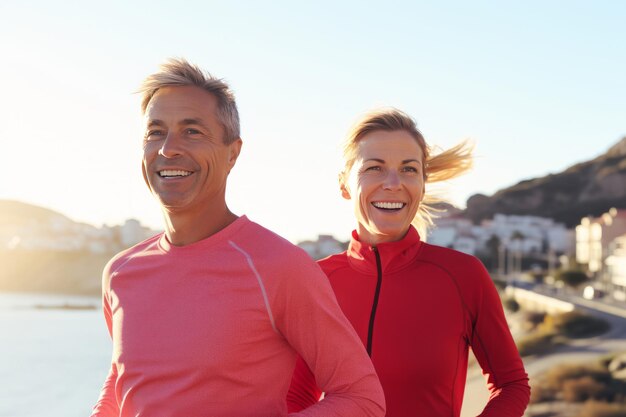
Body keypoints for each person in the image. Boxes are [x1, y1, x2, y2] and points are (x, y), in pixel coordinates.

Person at [90, 58, 385, 417]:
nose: (168, 148)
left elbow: (362, 397)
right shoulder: (120, 273)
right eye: (155, 132)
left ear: (233, 153)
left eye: (192, 131)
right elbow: (123, 384)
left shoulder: (279, 267)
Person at [287, 108, 530, 416]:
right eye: (374, 168)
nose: (393, 183)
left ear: (423, 184)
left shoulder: (462, 276)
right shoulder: (316, 280)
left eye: (409, 170)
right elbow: (297, 395)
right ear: (344, 184)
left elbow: (511, 385)